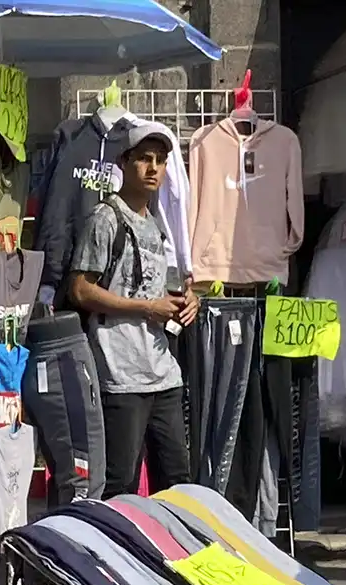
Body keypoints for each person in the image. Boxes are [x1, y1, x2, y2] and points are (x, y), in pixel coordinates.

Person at [67, 122, 199, 499]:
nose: (154, 168)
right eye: (144, 159)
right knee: (121, 483)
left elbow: (170, 287)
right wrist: (145, 308)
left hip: (163, 374)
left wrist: (189, 301)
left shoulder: (156, 224)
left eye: (160, 160)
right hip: (120, 373)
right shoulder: (107, 218)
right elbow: (79, 289)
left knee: (177, 484)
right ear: (125, 163)